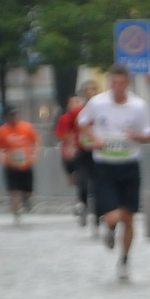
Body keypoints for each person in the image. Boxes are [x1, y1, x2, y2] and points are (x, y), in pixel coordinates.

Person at [78, 64, 150, 279]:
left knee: (129, 219)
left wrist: (136, 136)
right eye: (114, 83)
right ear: (109, 82)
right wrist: (95, 139)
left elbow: (148, 134)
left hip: (129, 165)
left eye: (122, 83)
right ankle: (110, 228)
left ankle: (124, 260)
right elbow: (82, 122)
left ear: (127, 83)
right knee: (113, 217)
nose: (118, 87)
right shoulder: (98, 103)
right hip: (105, 166)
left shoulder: (138, 106)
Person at [0, 107, 40, 221]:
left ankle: (26, 199)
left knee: (28, 190)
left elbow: (36, 141)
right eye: (11, 116)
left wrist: (35, 154)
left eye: (15, 116)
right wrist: (0, 155)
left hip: (26, 164)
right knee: (13, 189)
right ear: (7, 117)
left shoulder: (27, 127)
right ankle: (16, 210)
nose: (13, 118)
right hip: (11, 164)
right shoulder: (2, 131)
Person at [55, 89, 89, 226]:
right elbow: (61, 134)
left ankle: (84, 204)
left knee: (86, 180)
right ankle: (81, 203)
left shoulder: (86, 116)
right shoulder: (66, 118)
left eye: (78, 101)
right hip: (70, 154)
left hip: (85, 153)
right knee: (78, 180)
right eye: (73, 102)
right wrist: (70, 141)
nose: (76, 104)